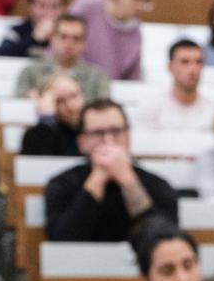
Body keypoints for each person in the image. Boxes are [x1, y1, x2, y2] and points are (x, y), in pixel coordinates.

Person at [44, 99, 178, 242]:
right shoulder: (62, 184)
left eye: (116, 131)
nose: (108, 140)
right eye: (97, 133)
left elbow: (164, 242)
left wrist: (127, 180)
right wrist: (98, 177)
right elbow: (63, 242)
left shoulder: (157, 185)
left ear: (128, 136)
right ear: (82, 143)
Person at [68, 0, 154, 81]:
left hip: (108, 87)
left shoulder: (135, 32)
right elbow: (63, 32)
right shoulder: (89, 5)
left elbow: (133, 75)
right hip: (72, 79)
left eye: (145, 1)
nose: (140, 7)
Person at [15, 14, 111, 102]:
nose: (69, 43)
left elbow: (104, 109)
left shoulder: (98, 77)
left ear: (84, 43)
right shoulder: (30, 73)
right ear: (52, 38)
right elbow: (18, 105)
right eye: (63, 37)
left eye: (76, 38)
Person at [135, 39, 214, 131]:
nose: (193, 69)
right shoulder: (150, 108)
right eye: (184, 62)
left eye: (198, 62)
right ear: (170, 67)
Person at [0, 0, 65, 58]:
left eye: (55, 6)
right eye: (42, 6)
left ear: (63, 8)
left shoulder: (71, 32)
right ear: (30, 7)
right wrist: (34, 39)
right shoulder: (18, 31)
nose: (48, 12)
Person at [19, 73, 84, 156]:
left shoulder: (92, 128)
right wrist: (46, 119)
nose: (70, 106)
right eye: (60, 101)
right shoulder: (38, 134)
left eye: (74, 96)